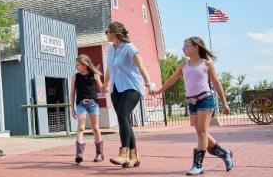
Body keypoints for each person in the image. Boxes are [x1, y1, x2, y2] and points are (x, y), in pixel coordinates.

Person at [150, 36, 234, 175]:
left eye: (187, 46)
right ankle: (225, 153)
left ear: (196, 47)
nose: (184, 48)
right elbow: (172, 79)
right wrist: (158, 91)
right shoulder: (184, 64)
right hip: (191, 102)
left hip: (205, 99)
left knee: (201, 132)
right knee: (201, 133)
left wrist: (224, 103)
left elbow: (217, 84)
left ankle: (198, 165)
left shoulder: (206, 63)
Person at [102, 22, 153, 168]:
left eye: (107, 31)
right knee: (124, 120)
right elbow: (109, 69)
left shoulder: (130, 48)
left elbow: (141, 66)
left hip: (132, 87)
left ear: (114, 33)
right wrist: (105, 84)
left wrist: (149, 84)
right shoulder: (111, 49)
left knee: (123, 115)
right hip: (116, 89)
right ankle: (134, 156)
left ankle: (123, 153)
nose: (106, 34)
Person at [70, 54, 105, 164]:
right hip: (80, 105)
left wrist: (104, 82)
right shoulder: (75, 77)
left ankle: (100, 154)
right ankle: (79, 154)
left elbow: (102, 88)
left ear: (85, 65)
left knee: (95, 128)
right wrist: (72, 108)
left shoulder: (94, 75)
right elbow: (72, 93)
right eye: (76, 65)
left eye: (78, 65)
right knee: (80, 128)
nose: (76, 67)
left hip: (93, 104)